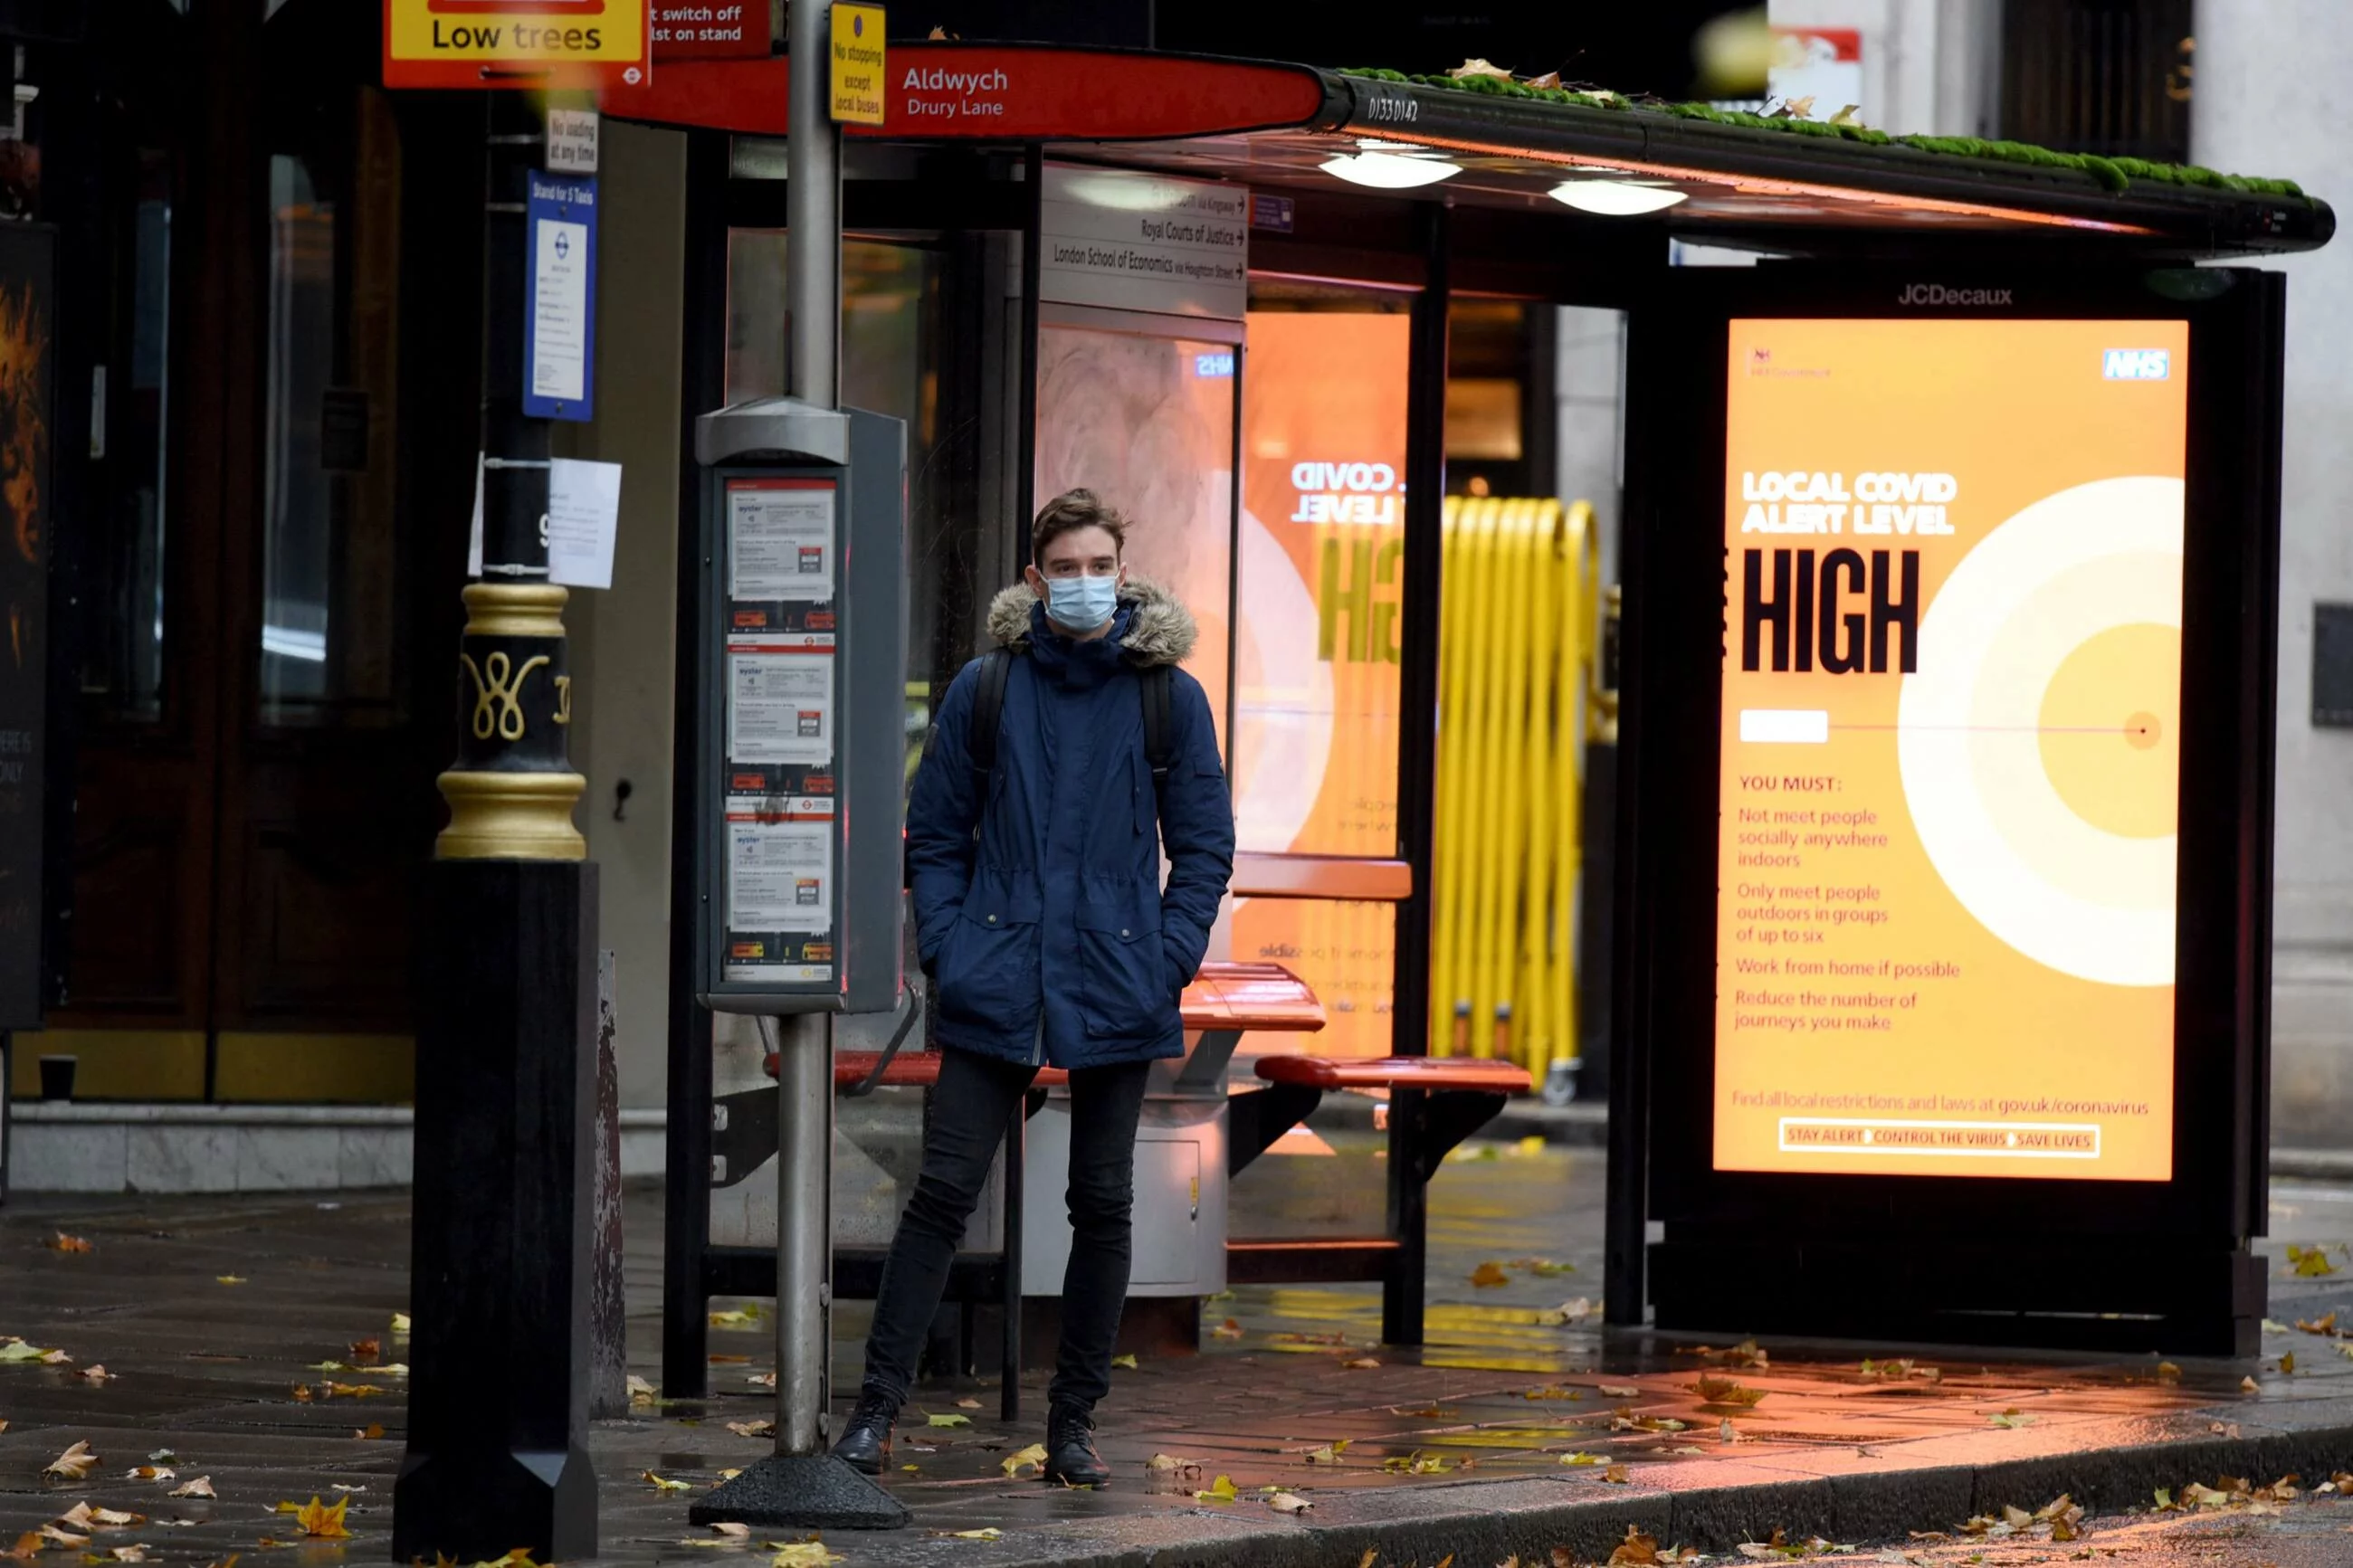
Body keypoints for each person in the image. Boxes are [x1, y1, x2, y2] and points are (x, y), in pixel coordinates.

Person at [832, 489, 1236, 1487]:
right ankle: (874, 1411)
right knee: (942, 1193)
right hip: (997, 973)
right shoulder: (986, 687)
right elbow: (933, 835)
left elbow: (1202, 845)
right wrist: (954, 951)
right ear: (1034, 577)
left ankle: (1072, 1425)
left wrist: (1166, 955)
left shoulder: (1166, 696)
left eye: (1100, 565)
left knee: (1100, 1201)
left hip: (1115, 976)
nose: (1085, 583)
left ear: (1124, 573)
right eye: (1066, 566)